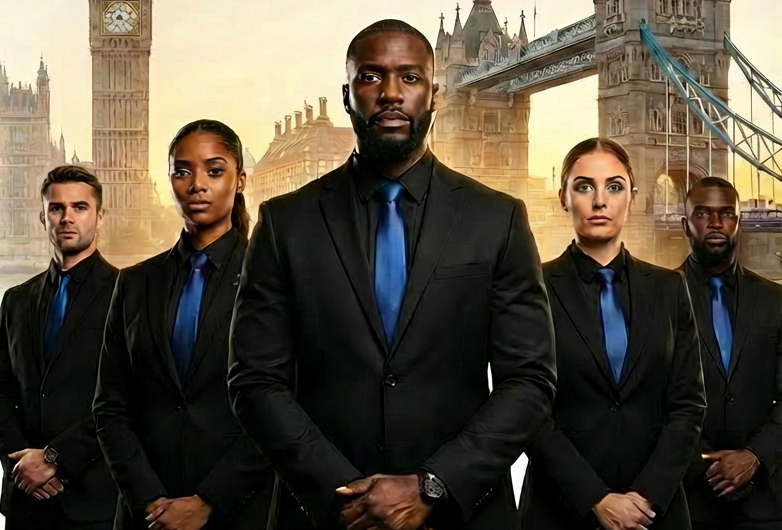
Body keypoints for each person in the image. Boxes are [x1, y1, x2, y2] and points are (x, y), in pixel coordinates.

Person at [227, 18, 557, 530]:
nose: (390, 94)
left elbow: (530, 381)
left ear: (435, 93)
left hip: (460, 516)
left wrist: (434, 485)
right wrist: (345, 495)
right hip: (324, 517)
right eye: (372, 77)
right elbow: (255, 380)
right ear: (347, 93)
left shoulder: (498, 219)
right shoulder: (284, 223)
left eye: (409, 77)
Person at [92, 119, 274, 530]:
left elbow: (285, 407)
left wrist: (210, 501)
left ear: (240, 179)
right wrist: (149, 500)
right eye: (182, 171)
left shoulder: (272, 280)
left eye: (214, 170)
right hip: (146, 516)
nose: (197, 185)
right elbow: (109, 408)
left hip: (238, 513)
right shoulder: (134, 283)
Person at [518, 138, 707, 530]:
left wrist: (647, 496)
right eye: (584, 186)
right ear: (563, 198)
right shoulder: (529, 288)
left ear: (633, 198)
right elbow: (526, 408)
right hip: (559, 512)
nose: (600, 201)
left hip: (657, 513)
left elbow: (688, 405)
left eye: (614, 186)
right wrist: (595, 499)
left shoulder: (670, 288)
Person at [0, 165, 118, 529]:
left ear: (99, 216)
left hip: (95, 503)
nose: (67, 218)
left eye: (80, 207)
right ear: (43, 217)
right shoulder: (16, 300)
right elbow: (2, 393)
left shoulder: (129, 296)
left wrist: (54, 458)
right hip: (26, 503)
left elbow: (131, 399)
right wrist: (23, 466)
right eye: (57, 208)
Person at [678, 177, 781, 530]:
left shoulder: (775, 300)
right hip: (685, 502)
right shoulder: (655, 300)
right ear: (685, 225)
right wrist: (703, 464)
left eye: (727, 214)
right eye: (703, 213)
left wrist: (754, 456)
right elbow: (647, 399)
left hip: (765, 502)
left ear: (740, 222)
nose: (716, 223)